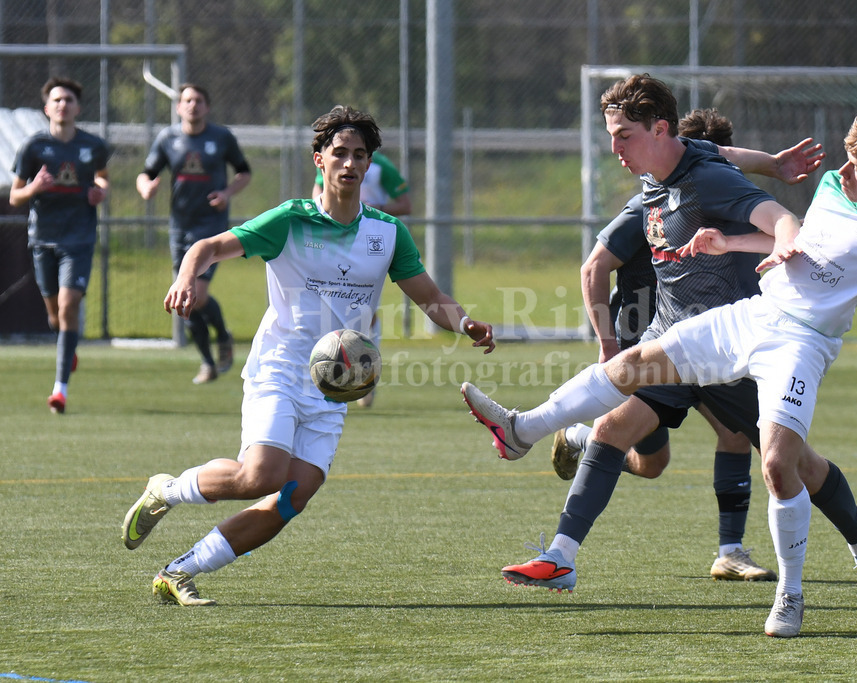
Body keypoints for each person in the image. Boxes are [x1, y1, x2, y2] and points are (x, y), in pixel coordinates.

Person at [463, 91, 857, 637]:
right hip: (753, 315)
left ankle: (799, 590)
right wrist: (730, 240)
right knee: (634, 364)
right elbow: (784, 224)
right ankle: (522, 431)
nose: (842, 172)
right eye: (846, 159)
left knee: (782, 466)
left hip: (801, 346)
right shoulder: (830, 185)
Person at [121, 105, 496, 606]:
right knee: (260, 476)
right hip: (279, 368)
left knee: (292, 496)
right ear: (319, 159)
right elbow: (206, 247)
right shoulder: (290, 220)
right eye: (339, 153)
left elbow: (430, 298)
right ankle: (167, 490)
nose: (350, 163)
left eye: (359, 155)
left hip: (334, 387)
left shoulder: (386, 233)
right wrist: (187, 276)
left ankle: (180, 570)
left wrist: (465, 323)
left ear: (369, 164)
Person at [552, 107, 818, 583]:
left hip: (720, 343)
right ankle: (577, 440)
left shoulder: (730, 196)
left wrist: (775, 169)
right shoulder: (654, 201)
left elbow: (748, 180)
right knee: (650, 462)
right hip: (658, 343)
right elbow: (593, 267)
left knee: (737, 434)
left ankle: (730, 551)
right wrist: (609, 347)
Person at [136, 83, 252, 384]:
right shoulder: (168, 138)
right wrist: (146, 188)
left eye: (198, 100)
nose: (193, 105)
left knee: (196, 293)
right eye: (187, 100)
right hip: (180, 226)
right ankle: (207, 362)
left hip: (211, 228)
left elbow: (244, 172)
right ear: (178, 107)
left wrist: (226, 193)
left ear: (207, 107)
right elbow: (146, 174)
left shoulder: (221, 137)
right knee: (182, 298)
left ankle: (222, 335)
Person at [9, 76, 111, 414]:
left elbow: (102, 177)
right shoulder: (34, 147)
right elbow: (15, 196)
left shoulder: (92, 145)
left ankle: (60, 390)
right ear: (46, 108)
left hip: (79, 238)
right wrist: (34, 188)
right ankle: (69, 345)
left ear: (78, 108)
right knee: (55, 314)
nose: (63, 105)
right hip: (43, 238)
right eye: (57, 100)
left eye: (68, 100)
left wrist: (100, 191)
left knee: (69, 307)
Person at [312, 149, 411, 407]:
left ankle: (366, 374)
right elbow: (317, 192)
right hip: (333, 241)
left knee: (365, 311)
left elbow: (405, 204)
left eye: (358, 151)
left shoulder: (380, 167)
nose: (350, 161)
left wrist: (373, 209)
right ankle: (325, 369)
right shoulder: (332, 162)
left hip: (368, 244)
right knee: (328, 306)